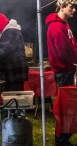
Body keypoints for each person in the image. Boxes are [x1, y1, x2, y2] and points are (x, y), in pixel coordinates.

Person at [45, 0, 77, 145]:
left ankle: (64, 138)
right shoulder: (57, 26)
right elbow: (64, 52)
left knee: (70, 107)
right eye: (72, 7)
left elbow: (72, 45)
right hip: (64, 72)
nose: (74, 10)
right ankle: (61, 140)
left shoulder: (64, 24)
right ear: (62, 6)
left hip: (68, 70)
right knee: (66, 108)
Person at [0, 13, 28, 91]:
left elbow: (3, 51)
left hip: (15, 73)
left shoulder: (11, 32)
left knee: (14, 98)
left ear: (0, 23)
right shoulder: (6, 32)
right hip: (12, 73)